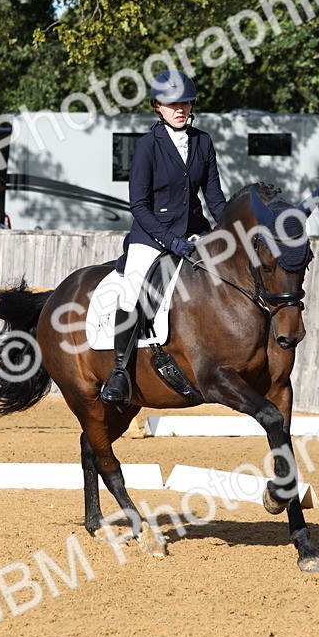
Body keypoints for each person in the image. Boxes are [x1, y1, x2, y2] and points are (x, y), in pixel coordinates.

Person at [99, 70, 227, 407]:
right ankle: (120, 371)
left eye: (184, 102)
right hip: (151, 235)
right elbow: (139, 206)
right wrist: (171, 241)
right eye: (172, 104)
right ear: (158, 106)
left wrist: (228, 231)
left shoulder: (203, 141)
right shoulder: (146, 146)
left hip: (195, 231)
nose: (180, 108)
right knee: (132, 290)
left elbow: (214, 199)